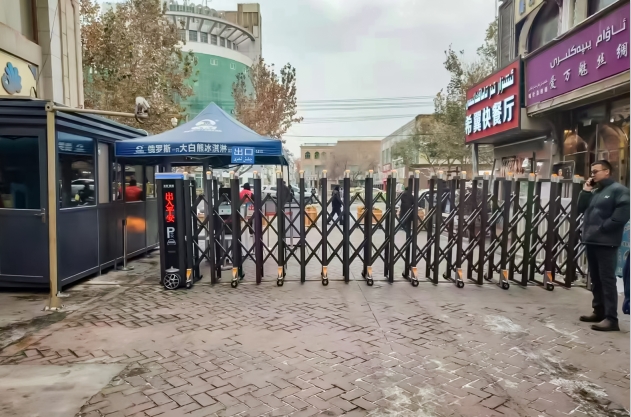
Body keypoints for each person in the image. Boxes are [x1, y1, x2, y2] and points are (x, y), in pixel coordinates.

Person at [577, 160, 630, 331]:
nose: (592, 175)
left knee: (607, 279)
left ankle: (611, 318)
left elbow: (621, 216)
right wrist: (585, 191)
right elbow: (580, 208)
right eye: (591, 172)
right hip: (591, 240)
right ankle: (598, 310)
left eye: (595, 171)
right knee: (596, 278)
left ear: (607, 171)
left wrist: (602, 229)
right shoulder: (596, 191)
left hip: (606, 242)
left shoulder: (619, 191)